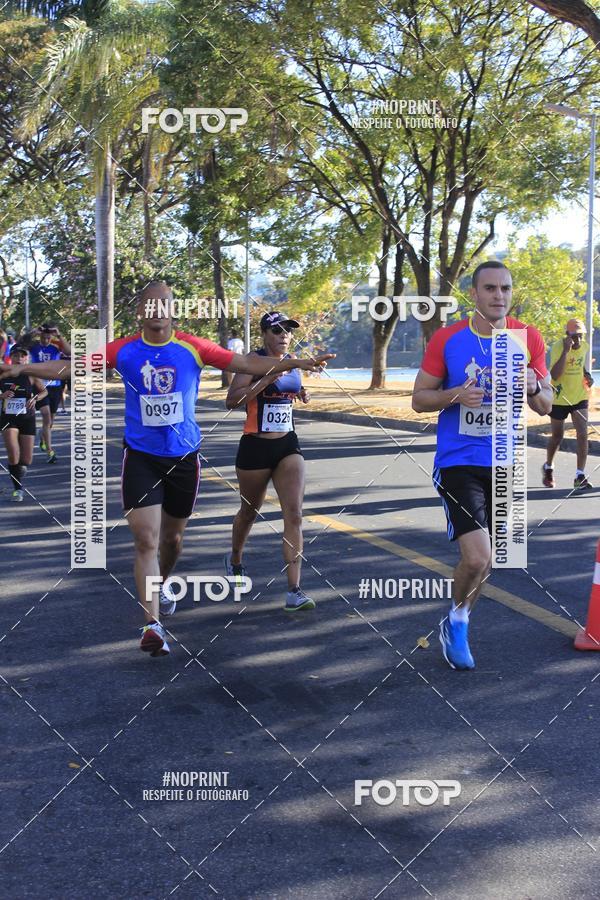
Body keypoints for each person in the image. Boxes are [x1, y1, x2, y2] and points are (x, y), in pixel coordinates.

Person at [0, 282, 333, 656]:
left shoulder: (193, 346)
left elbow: (245, 363)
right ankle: (152, 623)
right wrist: (24, 367)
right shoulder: (122, 349)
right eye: (149, 303)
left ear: (174, 310)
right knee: (145, 539)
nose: (156, 309)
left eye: (164, 303)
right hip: (140, 455)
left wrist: (295, 363)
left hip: (183, 457)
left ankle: (163, 583)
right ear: (140, 310)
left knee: (172, 541)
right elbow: (69, 366)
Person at [411, 260, 552, 670]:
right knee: (477, 557)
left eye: (505, 289)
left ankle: (458, 617)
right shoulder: (448, 338)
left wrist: (535, 385)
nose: (499, 296)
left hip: (506, 461)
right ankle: (457, 621)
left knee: (491, 559)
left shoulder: (529, 338)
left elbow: (544, 407)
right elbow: (420, 399)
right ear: (473, 294)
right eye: (490, 289)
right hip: (459, 461)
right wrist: (455, 394)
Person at [224, 311, 314, 611]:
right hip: (255, 448)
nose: (283, 335)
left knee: (295, 514)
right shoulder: (252, 362)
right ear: (264, 334)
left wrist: (300, 392)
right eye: (276, 331)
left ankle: (294, 590)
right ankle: (235, 558)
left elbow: (288, 393)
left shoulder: (294, 363)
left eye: (287, 330)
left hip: (287, 445)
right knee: (249, 512)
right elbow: (232, 400)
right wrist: (266, 380)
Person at [543, 318, 594, 490]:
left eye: (580, 336)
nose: (578, 340)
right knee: (557, 436)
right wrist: (566, 351)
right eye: (574, 337)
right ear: (567, 335)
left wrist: (587, 376)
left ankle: (580, 475)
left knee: (582, 434)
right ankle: (548, 466)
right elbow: (555, 375)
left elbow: (582, 369)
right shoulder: (558, 347)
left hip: (579, 397)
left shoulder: (585, 347)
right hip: (559, 398)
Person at [0, 345, 48, 501]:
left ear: (26, 358)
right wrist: (2, 395)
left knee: (26, 459)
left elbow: (44, 391)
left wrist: (36, 398)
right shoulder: (4, 374)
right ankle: (18, 489)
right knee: (13, 453)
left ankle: (18, 472)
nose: (19, 359)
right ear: (11, 357)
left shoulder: (31, 375)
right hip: (8, 418)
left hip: (27, 418)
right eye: (16, 355)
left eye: (22, 356)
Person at [29, 324, 71, 463]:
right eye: (44, 337)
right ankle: (50, 452)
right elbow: (20, 343)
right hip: (39, 387)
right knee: (46, 417)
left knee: (50, 421)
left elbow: (70, 352)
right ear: (40, 336)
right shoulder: (33, 347)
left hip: (55, 387)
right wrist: (34, 332)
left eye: (48, 337)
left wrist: (59, 335)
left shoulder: (56, 348)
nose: (46, 340)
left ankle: (43, 438)